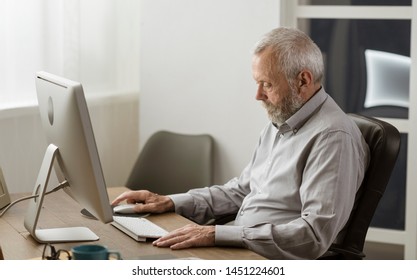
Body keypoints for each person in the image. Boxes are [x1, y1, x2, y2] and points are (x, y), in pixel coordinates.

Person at [112, 27, 370, 259]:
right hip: (238, 244)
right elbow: (241, 191)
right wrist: (171, 202)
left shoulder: (333, 137)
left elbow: (313, 235)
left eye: (266, 84)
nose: (257, 95)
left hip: (262, 258)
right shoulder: (282, 122)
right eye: (257, 83)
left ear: (303, 80)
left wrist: (218, 235)